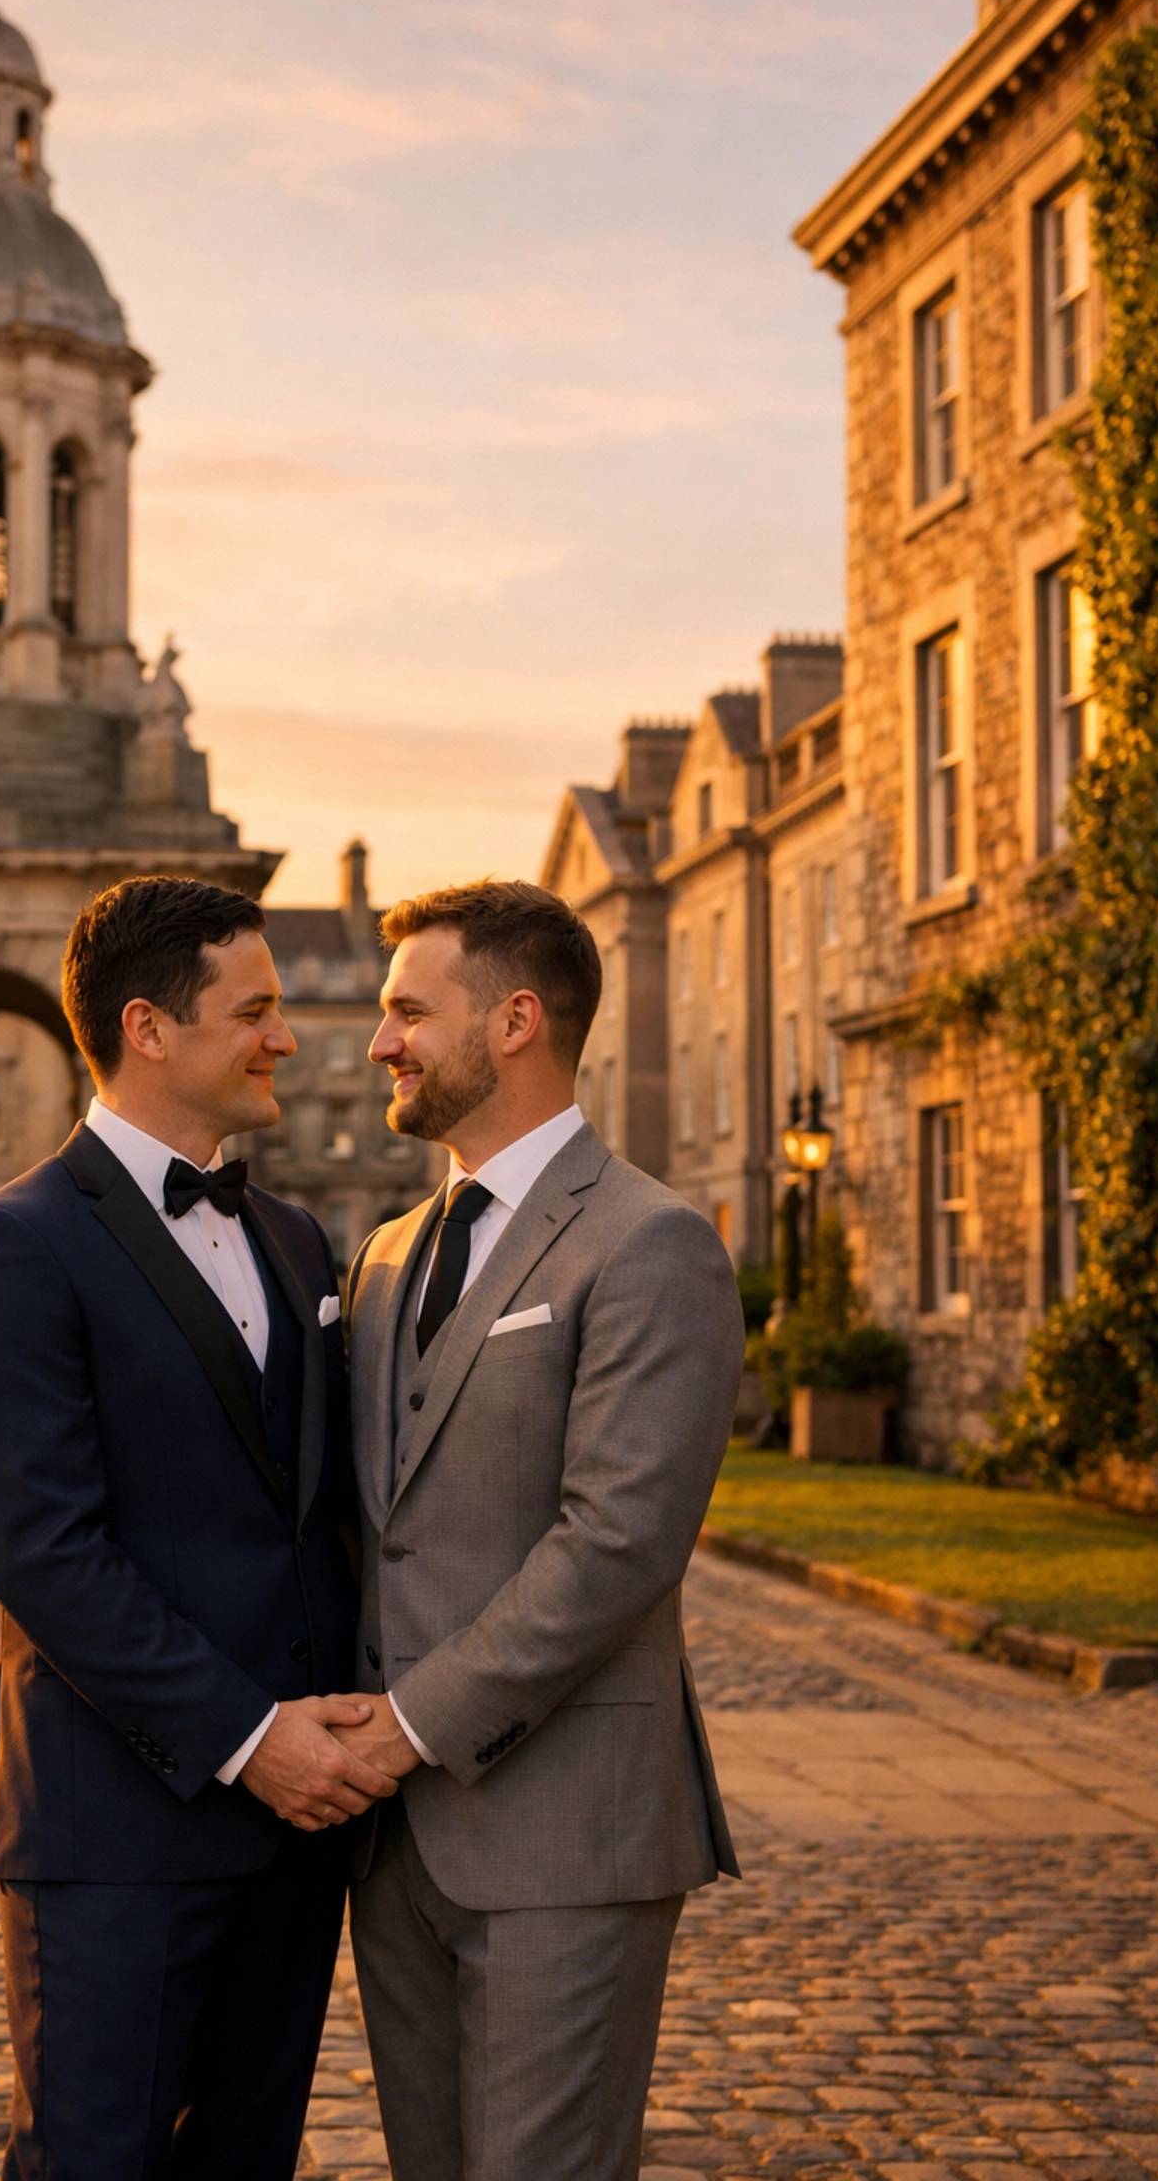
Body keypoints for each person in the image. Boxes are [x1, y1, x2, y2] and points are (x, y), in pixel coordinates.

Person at [0, 875, 396, 2181]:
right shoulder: (9, 1246)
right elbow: (43, 1554)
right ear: (149, 1026)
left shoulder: (299, 1241)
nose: (288, 1039)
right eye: (256, 1010)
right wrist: (254, 1742)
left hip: (298, 1835)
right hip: (117, 1831)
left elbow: (318, 1521)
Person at [339, 878, 744, 2181]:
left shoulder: (652, 1242)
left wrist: (405, 1727)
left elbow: (618, 1542)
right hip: (394, 1848)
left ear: (515, 1021)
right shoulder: (389, 1250)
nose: (380, 1041)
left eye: (409, 1009)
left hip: (568, 1834)